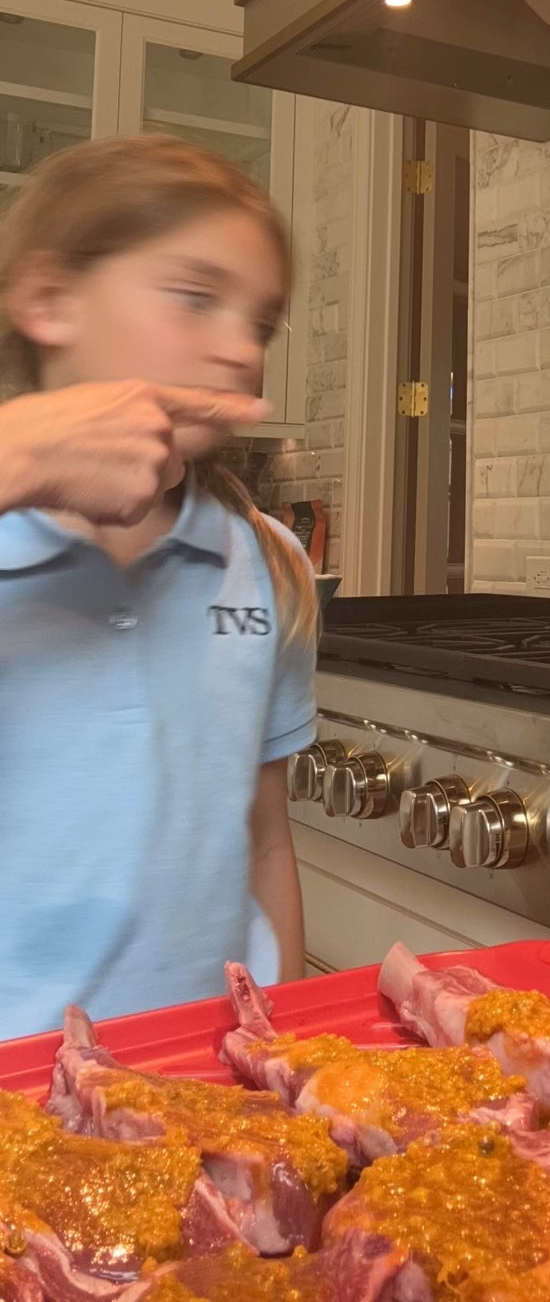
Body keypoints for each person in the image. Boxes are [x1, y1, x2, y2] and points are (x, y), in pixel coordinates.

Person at [0, 135, 318, 1040]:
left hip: (205, 1070)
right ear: (49, 299)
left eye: (260, 323)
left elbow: (266, 841)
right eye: (195, 298)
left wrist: (280, 1043)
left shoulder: (267, 564)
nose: (240, 352)